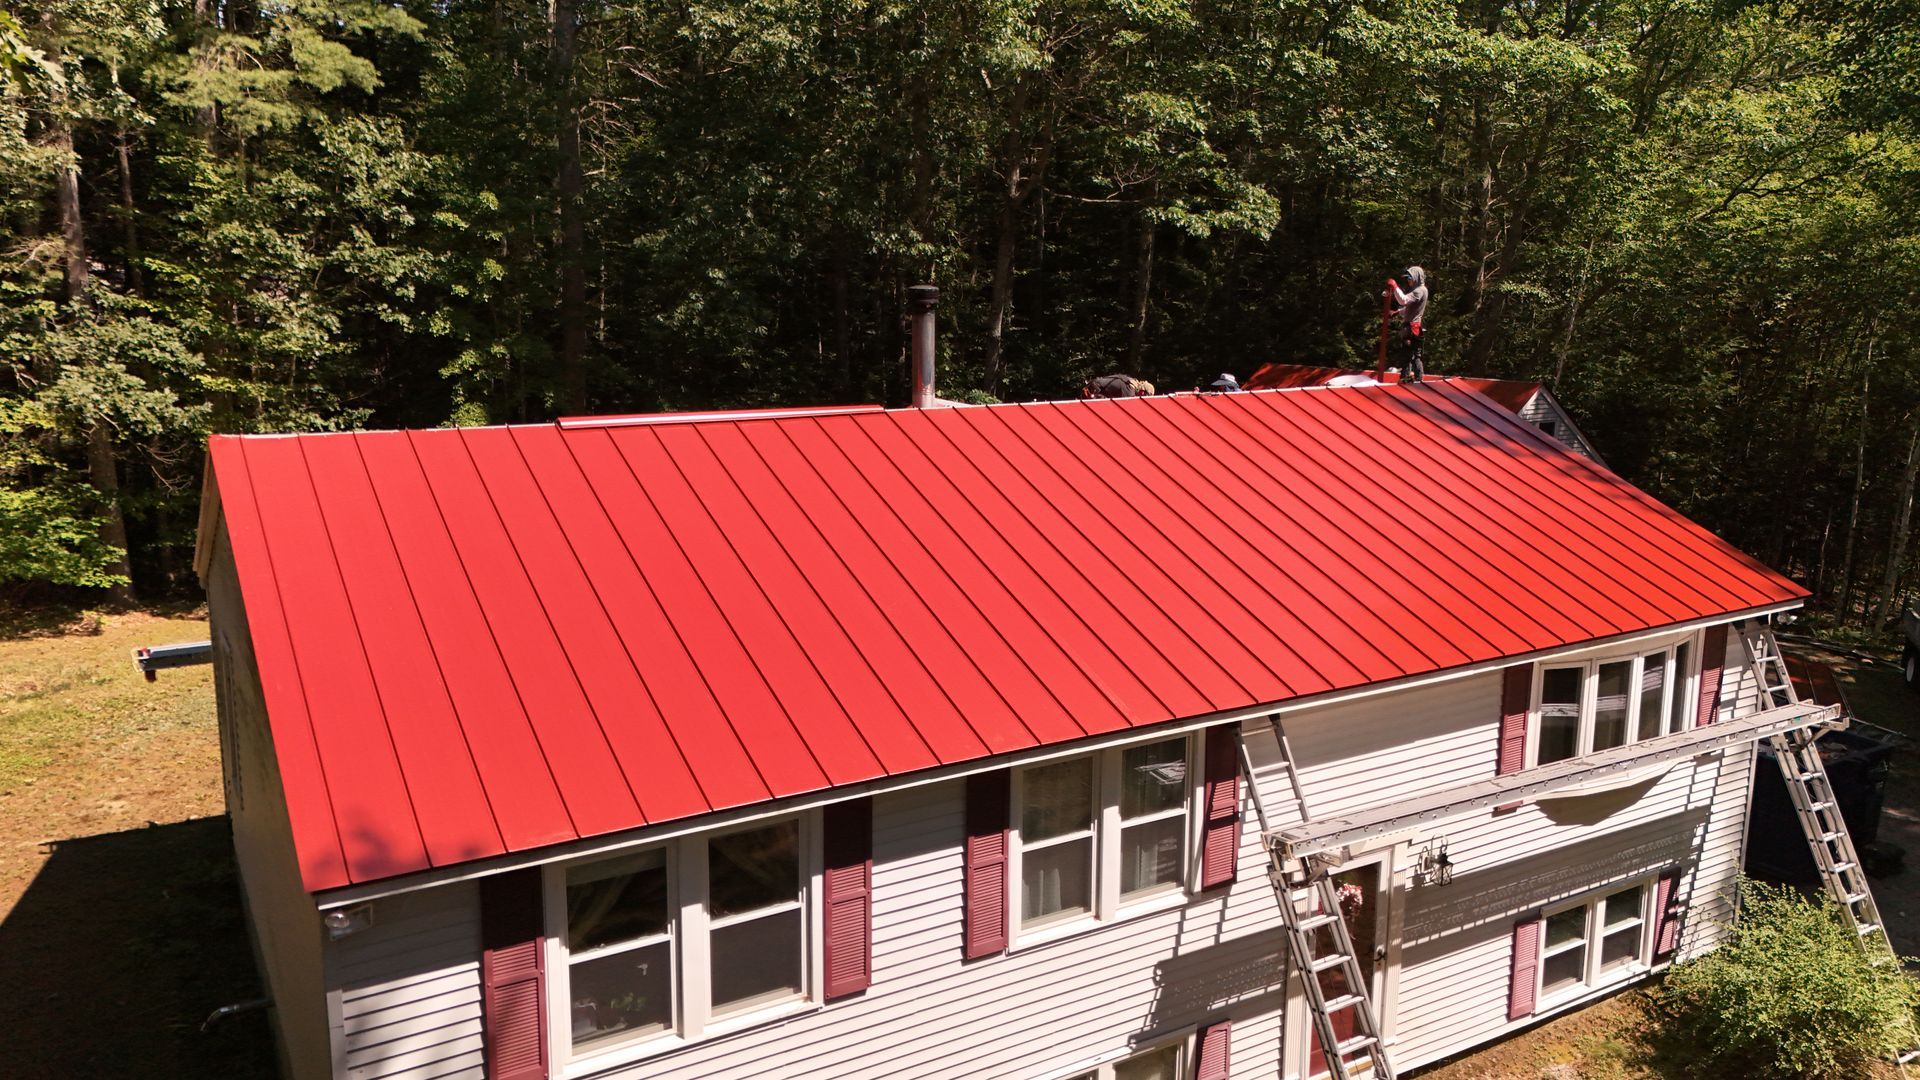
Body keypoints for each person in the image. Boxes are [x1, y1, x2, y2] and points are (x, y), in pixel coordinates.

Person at [1384, 266, 1428, 382]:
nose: (1408, 280)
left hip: (1412, 328)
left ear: (1416, 277)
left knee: (1410, 355)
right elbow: (1409, 308)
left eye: (1410, 277)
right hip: (1413, 327)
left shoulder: (1420, 290)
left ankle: (1413, 379)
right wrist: (1397, 312)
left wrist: (1394, 286)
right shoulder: (1419, 290)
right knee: (1410, 354)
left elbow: (1403, 300)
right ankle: (1410, 378)